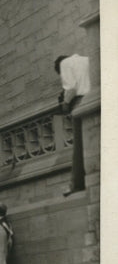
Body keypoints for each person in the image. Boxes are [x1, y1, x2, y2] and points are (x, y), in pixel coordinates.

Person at [54, 53, 90, 195]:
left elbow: (71, 88)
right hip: (94, 98)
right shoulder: (86, 60)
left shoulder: (65, 64)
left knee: (79, 144)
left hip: (79, 102)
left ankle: (76, 183)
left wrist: (65, 102)